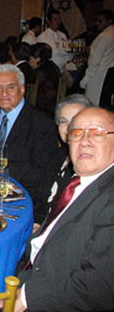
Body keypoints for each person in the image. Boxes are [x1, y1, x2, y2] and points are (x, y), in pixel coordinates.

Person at [0, 107, 114, 312]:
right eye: (77, 134)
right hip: (31, 276)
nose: (85, 141)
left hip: (64, 307)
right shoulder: (77, 182)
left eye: (97, 133)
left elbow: (101, 284)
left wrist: (25, 297)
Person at [0, 64, 59, 223]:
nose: (4, 93)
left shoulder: (41, 124)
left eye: (10, 87)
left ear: (22, 89)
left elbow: (42, 173)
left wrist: (2, 167)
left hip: (15, 199)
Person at [32, 94, 93, 229]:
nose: (69, 128)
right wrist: (37, 222)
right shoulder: (57, 156)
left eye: (75, 120)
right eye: (63, 122)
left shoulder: (89, 166)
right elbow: (40, 198)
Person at [79, 9, 114, 105]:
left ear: (109, 21)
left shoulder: (104, 36)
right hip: (110, 71)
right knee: (105, 100)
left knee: (93, 100)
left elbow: (95, 59)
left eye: (100, 21)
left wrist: (86, 77)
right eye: (96, 21)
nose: (97, 23)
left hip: (99, 73)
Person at [29, 43, 61, 119]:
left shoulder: (39, 73)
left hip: (43, 107)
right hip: (55, 103)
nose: (29, 62)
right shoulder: (53, 66)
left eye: (30, 59)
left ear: (38, 59)